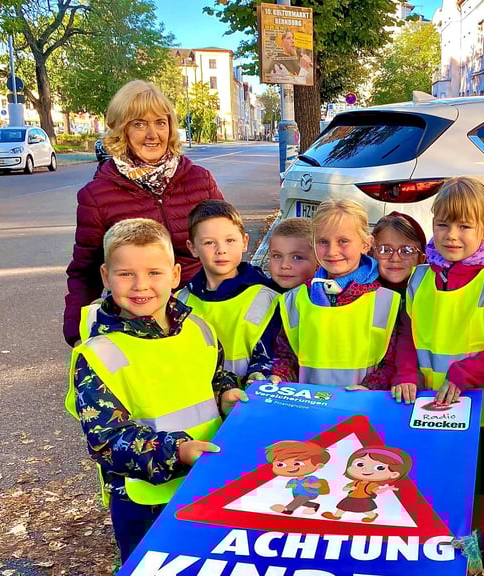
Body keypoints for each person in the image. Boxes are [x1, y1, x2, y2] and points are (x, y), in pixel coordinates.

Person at [65, 219, 246, 563]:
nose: (140, 285)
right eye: (125, 274)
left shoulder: (199, 328)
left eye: (154, 273)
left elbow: (215, 376)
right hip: (145, 502)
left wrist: (226, 395)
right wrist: (178, 451)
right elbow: (107, 439)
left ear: (176, 275)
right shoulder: (98, 354)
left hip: (212, 483)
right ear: (106, 276)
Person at [405, 176, 484, 529]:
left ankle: (473, 559)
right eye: (443, 224)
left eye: (464, 225)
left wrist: (465, 375)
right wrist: (405, 375)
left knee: (473, 497)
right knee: (430, 489)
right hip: (428, 408)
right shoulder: (419, 278)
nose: (451, 235)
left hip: (482, 417)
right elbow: (405, 335)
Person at [64, 79, 224, 347]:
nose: (152, 134)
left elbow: (226, 245)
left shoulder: (200, 180)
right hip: (137, 325)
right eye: (139, 124)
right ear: (121, 130)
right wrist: (76, 332)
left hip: (203, 316)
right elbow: (85, 271)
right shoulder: (97, 195)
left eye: (160, 122)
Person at [271, 199, 418, 394]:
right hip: (309, 410)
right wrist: (278, 377)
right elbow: (287, 357)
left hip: (362, 410)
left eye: (343, 241)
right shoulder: (295, 299)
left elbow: (390, 362)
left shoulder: (387, 301)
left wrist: (369, 387)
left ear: (366, 244)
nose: (332, 251)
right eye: (323, 242)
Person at [178, 200, 281, 384]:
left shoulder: (266, 297)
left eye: (230, 240)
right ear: (192, 247)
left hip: (246, 402)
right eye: (209, 242)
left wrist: (258, 375)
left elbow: (274, 355)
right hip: (199, 405)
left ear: (244, 242)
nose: (221, 250)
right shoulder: (180, 301)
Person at [322, 447, 412, 523]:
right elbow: (345, 488)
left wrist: (387, 488)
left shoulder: (372, 485)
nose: (365, 469)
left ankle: (372, 516)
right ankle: (336, 516)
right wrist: (349, 487)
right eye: (360, 464)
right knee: (342, 507)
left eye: (380, 468)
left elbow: (377, 491)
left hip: (363, 499)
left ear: (394, 474)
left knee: (366, 510)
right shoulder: (356, 482)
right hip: (351, 497)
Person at [266, 440, 331, 516]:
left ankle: (288, 510)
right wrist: (291, 486)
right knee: (300, 501)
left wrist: (310, 485)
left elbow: (318, 485)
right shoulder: (293, 480)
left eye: (297, 463)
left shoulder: (311, 478)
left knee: (300, 499)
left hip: (309, 493)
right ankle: (314, 506)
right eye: (280, 465)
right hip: (296, 494)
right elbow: (287, 486)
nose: (290, 467)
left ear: (318, 465)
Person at [371, 211, 427, 294]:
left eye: (406, 251)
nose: (395, 258)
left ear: (421, 259)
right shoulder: (356, 293)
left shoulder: (433, 292)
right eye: (385, 250)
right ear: (371, 255)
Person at [267, 217, 319, 292]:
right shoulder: (260, 294)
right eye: (277, 256)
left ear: (318, 262)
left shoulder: (329, 298)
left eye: (297, 258)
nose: (284, 266)